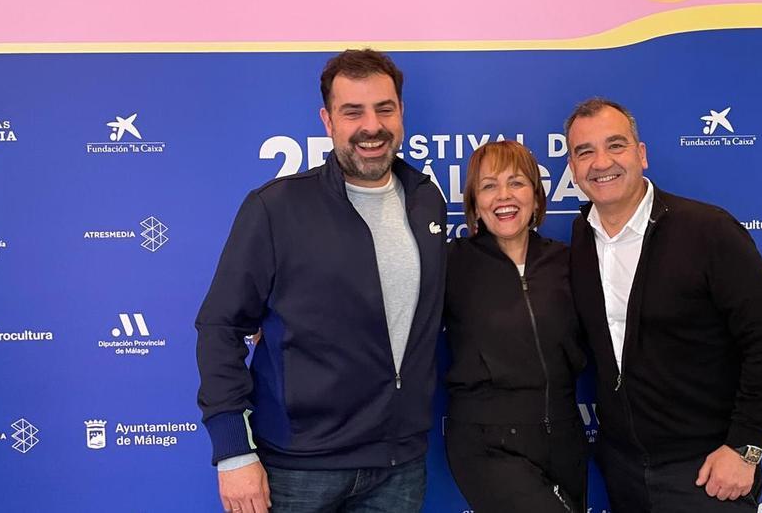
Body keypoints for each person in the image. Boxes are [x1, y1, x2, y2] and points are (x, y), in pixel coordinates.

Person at [195, 49, 446, 513]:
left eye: (384, 109)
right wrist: (232, 450)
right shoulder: (275, 208)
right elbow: (220, 327)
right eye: (353, 112)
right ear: (328, 121)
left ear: (401, 113)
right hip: (297, 469)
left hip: (399, 465)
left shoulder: (426, 200)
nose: (372, 126)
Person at [564, 97, 762, 512]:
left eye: (615, 145)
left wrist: (745, 448)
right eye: (585, 152)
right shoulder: (580, 239)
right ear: (574, 168)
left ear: (641, 154)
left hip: (706, 473)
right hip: (623, 472)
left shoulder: (708, 231)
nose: (601, 162)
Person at [443, 140, 589, 512]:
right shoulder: (450, 264)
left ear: (537, 198)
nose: (503, 195)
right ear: (474, 203)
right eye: (489, 185)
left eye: (517, 183)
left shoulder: (570, 262)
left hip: (564, 437)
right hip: (486, 443)